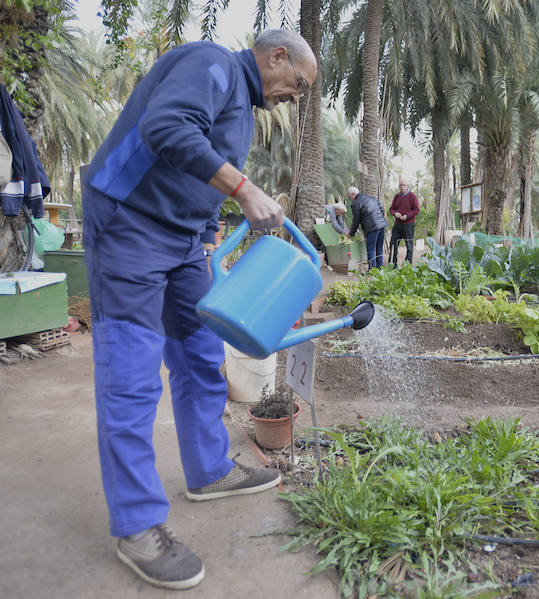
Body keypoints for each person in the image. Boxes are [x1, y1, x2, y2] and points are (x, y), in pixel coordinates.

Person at [80, 29, 317, 590]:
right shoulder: (212, 65)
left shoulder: (242, 110)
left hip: (184, 242)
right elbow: (165, 128)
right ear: (276, 56)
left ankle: (208, 470)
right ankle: (137, 525)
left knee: (200, 353)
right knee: (132, 375)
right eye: (298, 83)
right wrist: (244, 190)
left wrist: (211, 234)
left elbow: (200, 175)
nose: (296, 96)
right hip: (129, 226)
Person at [347, 185, 387, 269]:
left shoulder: (355, 203)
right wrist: (380, 220)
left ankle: (372, 270)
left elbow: (356, 221)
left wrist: (351, 234)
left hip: (372, 228)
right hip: (382, 225)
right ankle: (380, 268)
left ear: (353, 194)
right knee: (379, 248)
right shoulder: (371, 197)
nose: (349, 199)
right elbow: (382, 209)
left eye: (349, 196)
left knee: (371, 249)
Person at [388, 178, 419, 266]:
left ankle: (407, 266)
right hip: (397, 225)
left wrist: (407, 216)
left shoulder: (412, 196)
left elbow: (417, 210)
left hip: (408, 225)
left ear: (407, 186)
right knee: (393, 244)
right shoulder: (396, 197)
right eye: (400, 185)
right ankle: (393, 265)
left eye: (403, 185)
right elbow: (391, 209)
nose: (402, 187)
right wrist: (395, 213)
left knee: (409, 246)